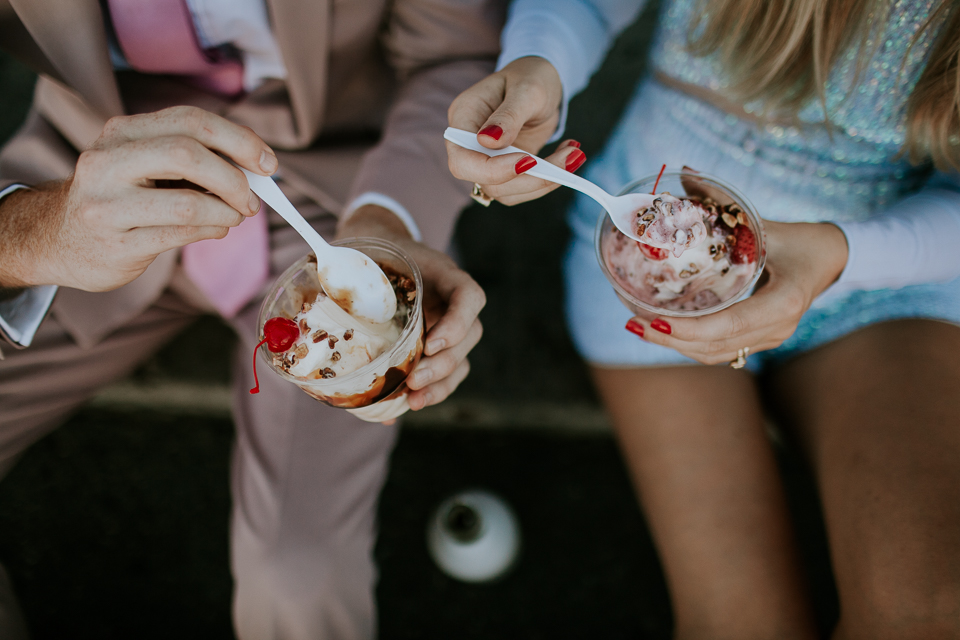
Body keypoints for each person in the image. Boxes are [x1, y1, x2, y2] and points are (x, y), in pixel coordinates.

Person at [447, 0, 960, 637]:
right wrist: (537, 68)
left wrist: (841, 255)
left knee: (931, 613)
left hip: (882, 272)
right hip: (643, 286)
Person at [0, 0, 503, 637]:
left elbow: (454, 55)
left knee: (297, 573)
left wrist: (386, 221)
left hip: (338, 189)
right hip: (76, 183)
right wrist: (34, 232)